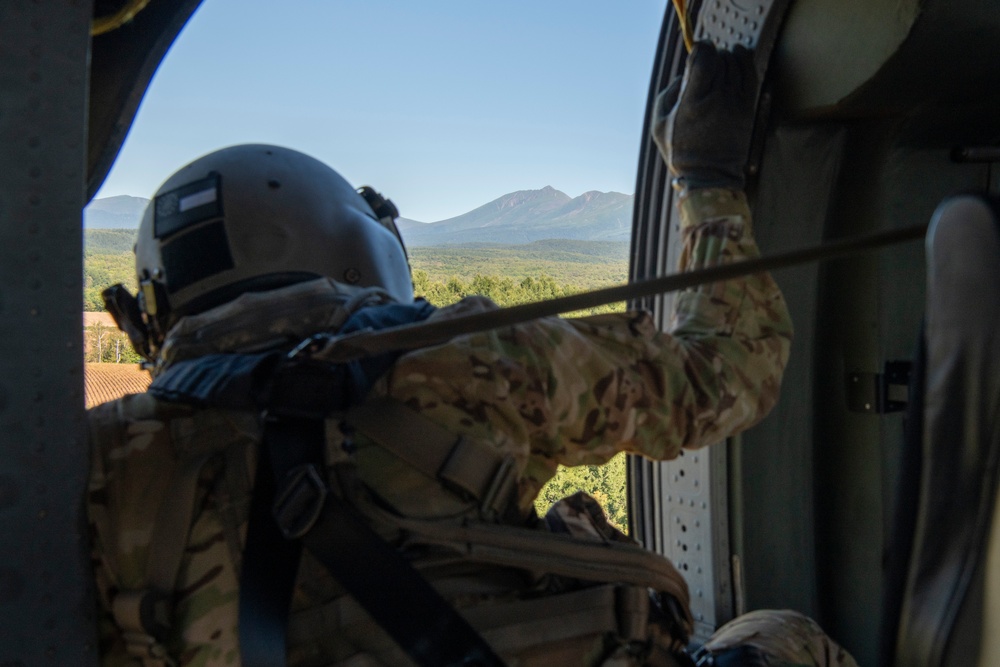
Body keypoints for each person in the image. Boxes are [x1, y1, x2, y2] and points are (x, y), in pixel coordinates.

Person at [87, 43, 853, 666]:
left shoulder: (95, 460)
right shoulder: (456, 361)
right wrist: (707, 179)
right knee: (779, 635)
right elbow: (732, 367)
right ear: (352, 244)